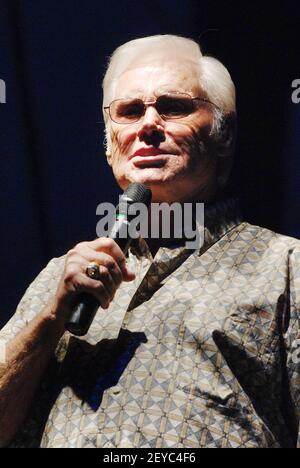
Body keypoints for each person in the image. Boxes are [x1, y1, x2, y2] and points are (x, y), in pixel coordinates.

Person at [0, 34, 299, 448]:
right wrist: (51, 320)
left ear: (224, 134)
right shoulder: (62, 277)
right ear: (109, 147)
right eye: (130, 111)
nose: (149, 125)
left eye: (174, 107)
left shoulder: (286, 265)